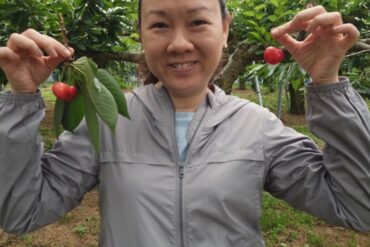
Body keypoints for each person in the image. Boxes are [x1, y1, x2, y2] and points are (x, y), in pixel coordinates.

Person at [0, 0, 369, 246]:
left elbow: (359, 208)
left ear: (224, 29)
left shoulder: (258, 126)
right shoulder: (109, 122)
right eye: (159, 25)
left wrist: (327, 84)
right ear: (142, 34)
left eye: (197, 22)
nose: (179, 43)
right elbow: (21, 213)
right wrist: (19, 100)